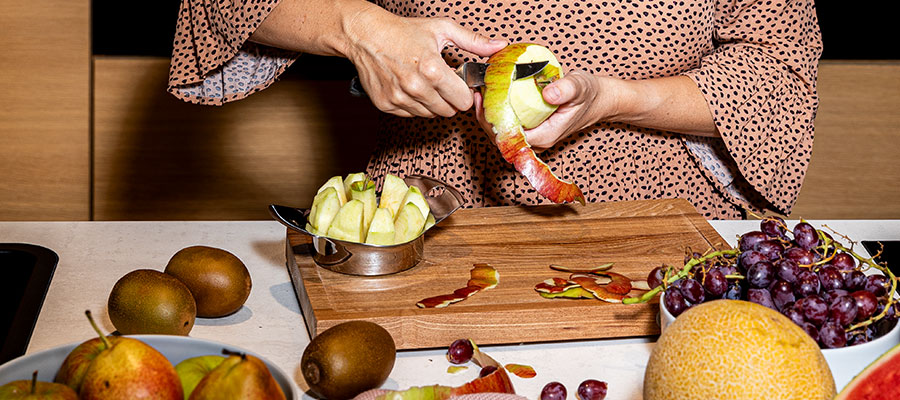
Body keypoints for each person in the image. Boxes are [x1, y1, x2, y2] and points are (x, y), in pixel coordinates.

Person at [168, 0, 823, 219]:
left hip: (663, 234)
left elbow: (778, 63)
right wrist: (356, 26)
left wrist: (618, 99)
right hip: (426, 229)